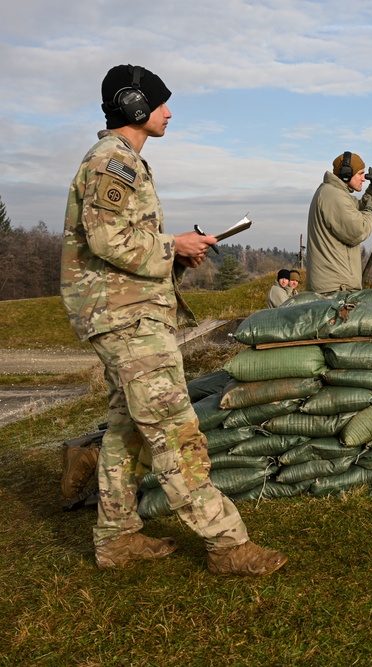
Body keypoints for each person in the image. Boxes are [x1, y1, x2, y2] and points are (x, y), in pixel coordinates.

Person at [61, 63, 287, 576]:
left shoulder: (125, 162)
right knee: (174, 429)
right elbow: (107, 239)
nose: (168, 112)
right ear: (135, 106)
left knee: (128, 429)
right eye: (161, 103)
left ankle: (116, 537)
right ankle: (227, 544)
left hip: (126, 314)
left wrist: (177, 254)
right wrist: (172, 246)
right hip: (126, 319)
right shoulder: (112, 162)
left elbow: (122, 242)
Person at [305, 151, 372, 294]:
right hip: (335, 288)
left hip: (334, 285)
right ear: (346, 173)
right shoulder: (333, 195)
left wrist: (371, 192)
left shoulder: (334, 192)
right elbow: (357, 231)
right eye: (360, 174)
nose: (364, 179)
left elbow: (356, 209)